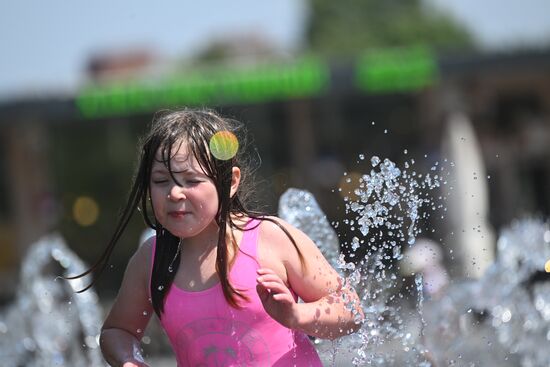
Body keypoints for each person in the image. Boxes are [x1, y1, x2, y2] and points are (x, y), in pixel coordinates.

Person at [68, 109, 363, 366]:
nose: (174, 193)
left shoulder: (271, 238)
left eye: (192, 180)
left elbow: (350, 310)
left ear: (230, 182)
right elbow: (117, 332)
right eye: (160, 181)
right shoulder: (151, 259)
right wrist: (129, 359)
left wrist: (297, 316)